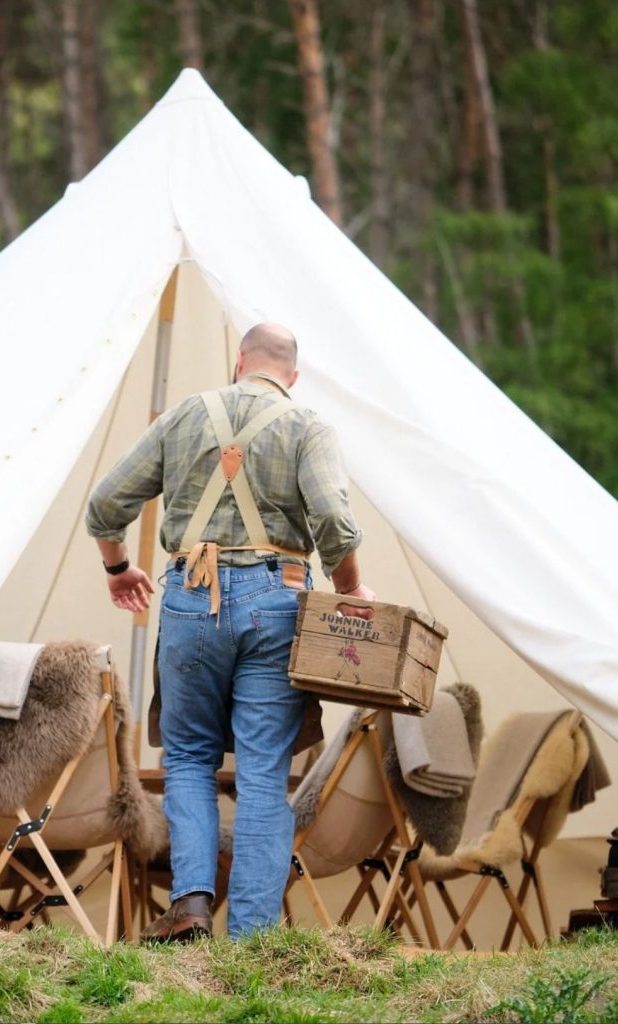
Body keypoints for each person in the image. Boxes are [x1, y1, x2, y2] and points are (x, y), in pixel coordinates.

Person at [86, 322, 375, 942]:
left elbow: (106, 504)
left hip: (190, 598)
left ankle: (190, 905)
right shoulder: (307, 425)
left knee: (188, 758)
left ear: (239, 361)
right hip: (277, 601)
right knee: (264, 771)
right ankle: (250, 940)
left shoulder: (186, 414)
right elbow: (332, 517)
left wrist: (118, 568)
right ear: (290, 376)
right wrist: (350, 588)